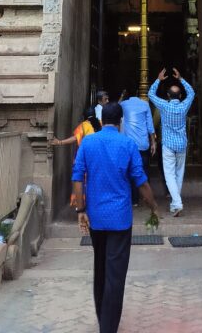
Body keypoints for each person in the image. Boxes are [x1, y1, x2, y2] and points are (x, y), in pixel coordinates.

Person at [72, 102, 159, 333]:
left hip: (96, 217)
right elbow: (140, 181)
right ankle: (108, 327)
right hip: (120, 219)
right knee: (115, 275)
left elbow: (77, 177)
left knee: (99, 267)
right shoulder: (128, 144)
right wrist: (153, 207)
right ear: (120, 121)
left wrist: (80, 211)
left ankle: (104, 320)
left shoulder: (89, 142)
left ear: (101, 121)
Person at [148, 67, 195, 217]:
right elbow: (192, 93)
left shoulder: (164, 105)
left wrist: (158, 80)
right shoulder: (183, 106)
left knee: (169, 175)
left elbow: (150, 94)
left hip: (168, 145)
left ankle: (177, 203)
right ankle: (176, 204)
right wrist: (181, 79)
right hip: (181, 144)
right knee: (179, 173)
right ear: (180, 95)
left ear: (168, 95)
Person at [118, 87, 157, 205]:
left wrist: (121, 96)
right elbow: (150, 125)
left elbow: (114, 110)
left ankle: (134, 200)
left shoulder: (123, 104)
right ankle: (146, 197)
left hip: (127, 144)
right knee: (143, 169)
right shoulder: (145, 105)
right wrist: (153, 142)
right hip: (142, 144)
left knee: (129, 170)